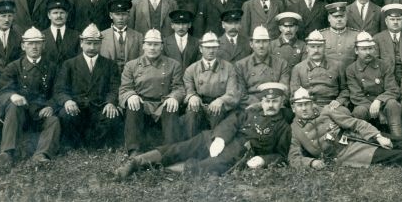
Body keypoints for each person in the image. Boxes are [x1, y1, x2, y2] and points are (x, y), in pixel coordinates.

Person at [113, 83, 291, 179]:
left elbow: (281, 155)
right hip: (212, 140)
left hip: (235, 156)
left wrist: (264, 159)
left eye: (275, 101)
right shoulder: (250, 112)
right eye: (267, 101)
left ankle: (155, 171)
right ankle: (136, 162)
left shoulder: (283, 126)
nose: (270, 105)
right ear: (262, 101)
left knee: (203, 167)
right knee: (179, 148)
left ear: (282, 102)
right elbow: (231, 122)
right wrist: (220, 138)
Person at [288, 88, 402, 169]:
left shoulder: (326, 111)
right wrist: (311, 163)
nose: (304, 108)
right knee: (398, 156)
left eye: (306, 104)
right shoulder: (294, 130)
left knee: (401, 141)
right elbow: (293, 158)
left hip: (357, 136)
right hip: (347, 154)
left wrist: (378, 137)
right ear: (293, 108)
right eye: (300, 105)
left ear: (312, 104)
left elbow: (355, 123)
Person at [0, 27, 62, 172]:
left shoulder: (52, 67)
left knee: (54, 120)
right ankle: (7, 153)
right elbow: (1, 93)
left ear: (44, 45)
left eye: (38, 43)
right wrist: (12, 95)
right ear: (23, 46)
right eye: (30, 43)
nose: (34, 47)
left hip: (41, 114)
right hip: (20, 115)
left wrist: (50, 106)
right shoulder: (13, 67)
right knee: (13, 106)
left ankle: (41, 155)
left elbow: (58, 92)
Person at [53, 24, 122, 150]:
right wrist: (67, 101)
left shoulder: (110, 65)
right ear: (81, 43)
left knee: (112, 115)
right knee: (65, 114)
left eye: (96, 44)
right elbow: (60, 89)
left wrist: (110, 103)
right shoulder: (69, 64)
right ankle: (73, 145)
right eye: (88, 43)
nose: (92, 47)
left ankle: (97, 145)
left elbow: (114, 88)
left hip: (99, 106)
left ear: (101, 44)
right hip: (77, 107)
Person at [118, 28, 185, 156]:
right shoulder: (131, 65)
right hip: (142, 105)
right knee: (133, 104)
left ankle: (170, 150)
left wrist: (173, 97)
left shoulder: (173, 65)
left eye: (156, 44)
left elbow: (179, 88)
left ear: (162, 46)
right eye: (149, 44)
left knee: (171, 106)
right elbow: (125, 88)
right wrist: (131, 96)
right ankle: (134, 150)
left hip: (162, 104)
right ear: (143, 46)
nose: (152, 48)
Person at [345, 31, 402, 137]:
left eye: (370, 48)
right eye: (364, 49)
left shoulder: (384, 65)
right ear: (356, 51)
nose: (368, 52)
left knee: (392, 104)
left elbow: (393, 89)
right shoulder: (351, 70)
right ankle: (363, 141)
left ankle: (398, 138)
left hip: (383, 104)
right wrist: (377, 112)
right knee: (359, 111)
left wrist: (378, 101)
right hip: (365, 105)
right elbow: (356, 96)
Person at [182, 32, 241, 137]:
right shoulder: (191, 69)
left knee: (217, 117)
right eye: (207, 48)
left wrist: (221, 100)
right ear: (201, 49)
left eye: (214, 47)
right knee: (191, 114)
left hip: (219, 104)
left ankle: (215, 143)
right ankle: (189, 143)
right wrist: (192, 96)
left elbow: (232, 92)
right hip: (200, 104)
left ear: (218, 48)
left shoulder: (228, 68)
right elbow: (188, 88)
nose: (211, 51)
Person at [289, 30, 349, 109]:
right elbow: (294, 93)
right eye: (312, 47)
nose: (316, 50)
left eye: (319, 46)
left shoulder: (337, 66)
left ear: (324, 48)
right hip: (309, 106)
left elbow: (345, 90)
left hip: (333, 106)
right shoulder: (298, 68)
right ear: (307, 48)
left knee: (344, 114)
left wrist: (339, 101)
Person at [234, 26, 290, 108]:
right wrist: (260, 105)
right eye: (257, 42)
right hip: (251, 107)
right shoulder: (241, 65)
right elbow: (240, 94)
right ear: (251, 44)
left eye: (264, 41)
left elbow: (285, 91)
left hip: (275, 107)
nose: (261, 46)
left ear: (269, 43)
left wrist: (271, 104)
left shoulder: (281, 64)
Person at [372, 3, 402, 85]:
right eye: (392, 19)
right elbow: (375, 62)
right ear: (386, 21)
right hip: (385, 77)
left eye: (398, 19)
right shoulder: (377, 38)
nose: (395, 22)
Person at [100, 0, 143, 73]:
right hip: (109, 76)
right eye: (117, 14)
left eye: (124, 14)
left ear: (129, 15)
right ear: (111, 15)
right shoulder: (101, 36)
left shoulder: (138, 36)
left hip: (132, 76)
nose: (120, 18)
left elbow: (141, 60)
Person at [40, 0, 81, 65]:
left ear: (67, 15)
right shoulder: (41, 36)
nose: (59, 16)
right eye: (55, 13)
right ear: (49, 15)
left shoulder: (77, 36)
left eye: (62, 13)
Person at [320, 2, 360, 69]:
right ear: (329, 18)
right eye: (335, 17)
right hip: (327, 73)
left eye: (342, 16)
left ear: (346, 18)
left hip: (350, 73)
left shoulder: (357, 35)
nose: (339, 20)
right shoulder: (321, 36)